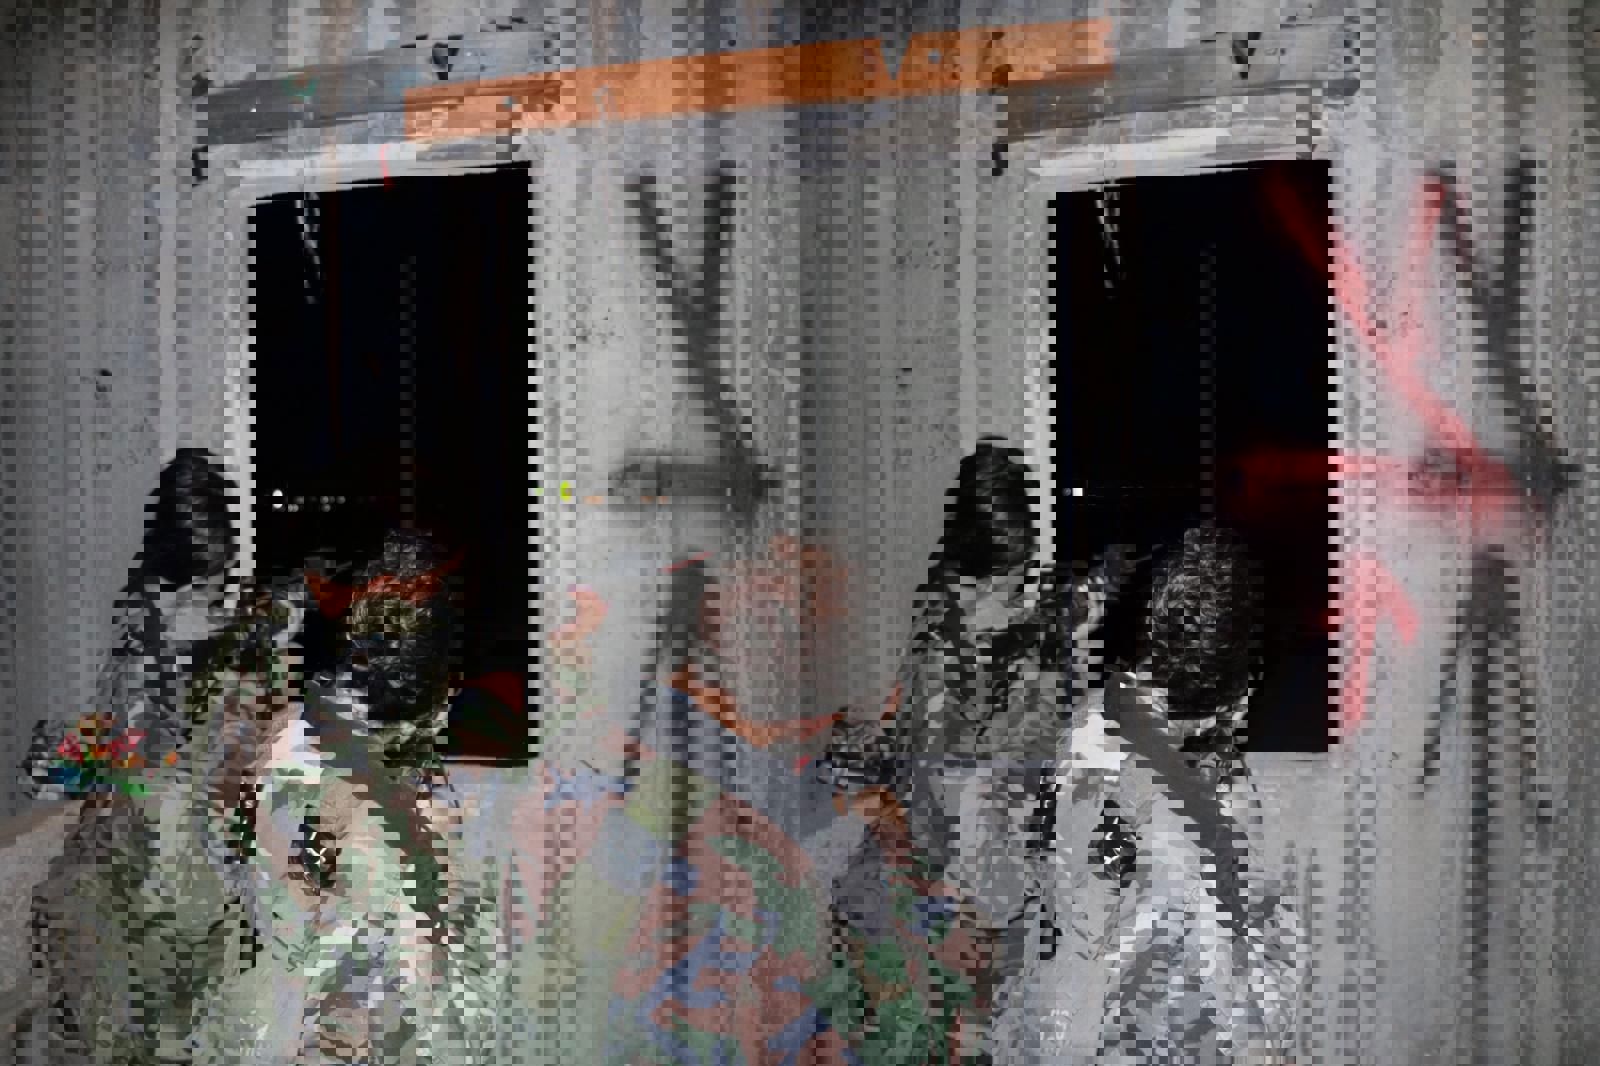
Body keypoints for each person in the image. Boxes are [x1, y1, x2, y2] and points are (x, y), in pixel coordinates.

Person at [818, 440, 1113, 1066]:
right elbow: (917, 754)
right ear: (954, 572)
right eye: (976, 589)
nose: (991, 613)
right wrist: (867, 749)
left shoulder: (1042, 657)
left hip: (980, 895)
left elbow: (1024, 790)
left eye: (1012, 587)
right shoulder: (936, 628)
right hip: (910, 886)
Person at [1039, 525, 1303, 1066]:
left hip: (1070, 1021)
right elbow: (1230, 992)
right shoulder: (1202, 813)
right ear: (1240, 688)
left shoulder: (1090, 729)